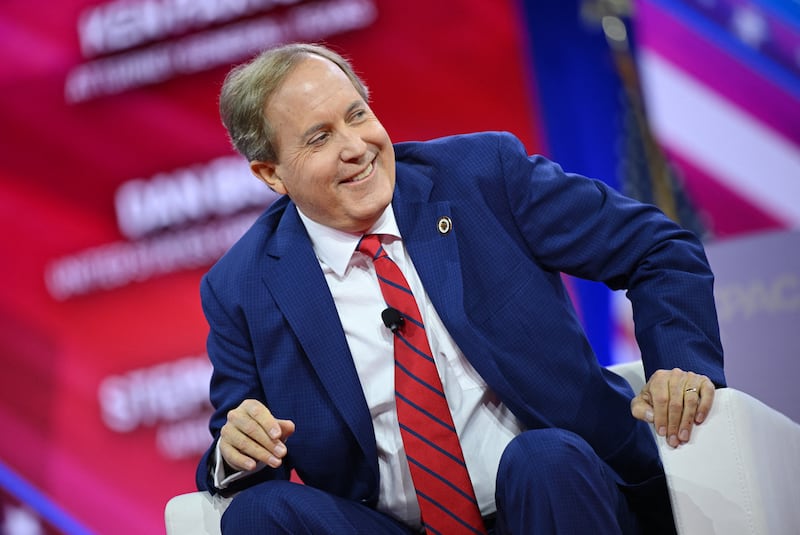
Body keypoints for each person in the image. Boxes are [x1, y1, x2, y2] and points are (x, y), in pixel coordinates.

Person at [195, 42, 725, 534]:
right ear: (271, 174)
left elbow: (657, 248)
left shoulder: (481, 177)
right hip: (398, 526)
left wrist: (679, 363)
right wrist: (235, 447)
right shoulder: (243, 287)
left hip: (561, 496)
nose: (356, 147)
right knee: (257, 515)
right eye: (320, 137)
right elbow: (244, 439)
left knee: (541, 461)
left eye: (357, 114)